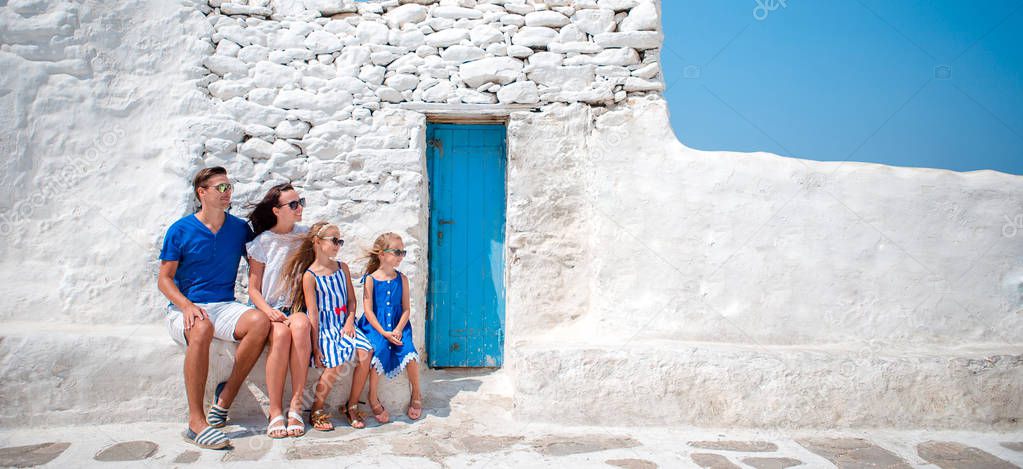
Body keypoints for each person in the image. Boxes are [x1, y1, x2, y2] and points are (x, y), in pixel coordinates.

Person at [157, 166, 271, 449]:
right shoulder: (180, 230)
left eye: (229, 187)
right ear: (202, 192)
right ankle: (196, 423)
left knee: (259, 322)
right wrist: (185, 305)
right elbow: (164, 279)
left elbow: (261, 260)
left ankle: (226, 397)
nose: (227, 192)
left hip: (224, 305)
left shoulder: (238, 229)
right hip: (184, 308)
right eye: (220, 187)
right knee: (202, 326)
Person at [279, 221, 374, 431]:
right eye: (334, 240)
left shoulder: (342, 268)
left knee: (366, 353)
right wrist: (315, 347)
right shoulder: (310, 276)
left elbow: (351, 300)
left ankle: (351, 405)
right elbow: (312, 313)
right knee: (336, 363)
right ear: (317, 242)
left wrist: (350, 321)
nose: (337, 245)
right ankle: (316, 408)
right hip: (325, 328)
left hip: (345, 323)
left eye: (340, 241)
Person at [246, 183, 312, 438]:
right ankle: (275, 412)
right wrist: (268, 311)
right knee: (281, 336)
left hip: (295, 306)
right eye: (293, 204)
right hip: (269, 308)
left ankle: (296, 405)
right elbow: (253, 288)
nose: (299, 208)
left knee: (301, 326)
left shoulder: (306, 235)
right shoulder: (262, 243)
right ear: (276, 210)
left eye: (301, 202)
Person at [358, 232, 422, 422]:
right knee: (379, 350)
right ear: (382, 254)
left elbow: (406, 309)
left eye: (403, 252)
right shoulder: (370, 279)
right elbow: (368, 311)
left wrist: (398, 329)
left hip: (398, 325)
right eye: (397, 252)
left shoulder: (402, 279)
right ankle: (372, 397)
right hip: (376, 326)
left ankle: (417, 393)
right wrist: (384, 332)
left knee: (408, 351)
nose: (401, 256)